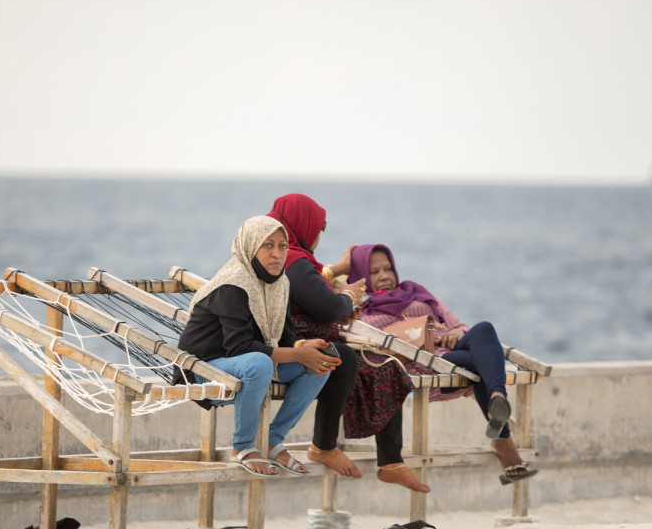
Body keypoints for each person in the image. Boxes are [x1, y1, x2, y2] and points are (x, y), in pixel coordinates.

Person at [267, 194, 429, 493]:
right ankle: (323, 446)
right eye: (319, 227)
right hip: (293, 347)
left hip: (303, 341)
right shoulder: (296, 261)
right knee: (343, 358)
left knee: (386, 366)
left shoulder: (294, 259)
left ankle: (392, 463)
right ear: (303, 224)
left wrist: (339, 281)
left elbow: (316, 293)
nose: (318, 235)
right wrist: (350, 297)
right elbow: (330, 308)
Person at [349, 243, 538, 485]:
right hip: (426, 366)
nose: (384, 276)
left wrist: (457, 335)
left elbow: (457, 325)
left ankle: (497, 398)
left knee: (484, 329)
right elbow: (372, 352)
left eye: (388, 269)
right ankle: (503, 441)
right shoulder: (361, 312)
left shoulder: (415, 291)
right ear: (361, 277)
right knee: (483, 363)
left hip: (451, 353)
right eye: (374, 272)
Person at [175, 215, 340, 477]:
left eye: (282, 246)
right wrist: (297, 353)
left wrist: (303, 346)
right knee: (259, 363)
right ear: (250, 246)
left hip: (245, 365)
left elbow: (284, 336)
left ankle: (272, 440)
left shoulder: (280, 282)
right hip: (203, 368)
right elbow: (239, 346)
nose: (276, 254)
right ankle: (242, 447)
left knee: (320, 364)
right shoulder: (233, 283)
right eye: (267, 245)